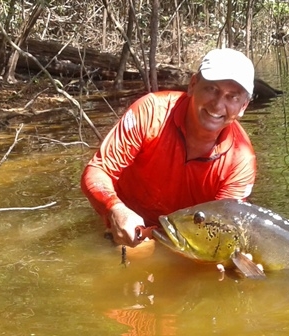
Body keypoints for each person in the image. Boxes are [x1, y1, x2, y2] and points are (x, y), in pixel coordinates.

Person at [81, 48, 257, 248]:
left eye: (232, 97)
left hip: (183, 240)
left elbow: (220, 228)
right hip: (125, 228)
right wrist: (114, 208)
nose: (217, 104)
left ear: (243, 106)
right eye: (211, 89)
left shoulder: (241, 159)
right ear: (193, 85)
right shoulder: (150, 112)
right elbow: (97, 170)